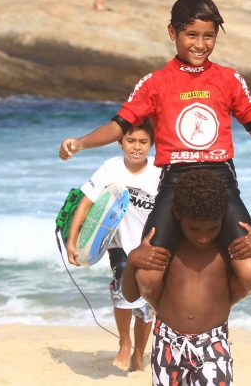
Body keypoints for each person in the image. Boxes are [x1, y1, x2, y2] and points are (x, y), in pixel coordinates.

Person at [59, 0, 251, 302]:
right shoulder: (154, 83)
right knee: (146, 278)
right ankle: (171, 315)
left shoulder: (229, 79)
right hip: (175, 182)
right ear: (173, 33)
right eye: (191, 35)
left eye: (209, 36)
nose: (200, 44)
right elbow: (118, 125)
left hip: (220, 182)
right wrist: (81, 142)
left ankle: (212, 311)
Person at [122, 169, 251, 385]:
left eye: (212, 229)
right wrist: (132, 260)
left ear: (223, 219)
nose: (203, 237)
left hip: (213, 342)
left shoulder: (227, 252)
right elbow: (130, 296)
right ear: (178, 216)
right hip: (168, 341)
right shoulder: (168, 251)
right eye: (193, 228)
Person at [66, 118, 160, 371]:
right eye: (130, 141)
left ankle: (139, 353)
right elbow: (85, 203)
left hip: (149, 245)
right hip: (119, 244)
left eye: (143, 142)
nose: (137, 147)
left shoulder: (160, 171)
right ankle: (125, 343)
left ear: (152, 144)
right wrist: (72, 242)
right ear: (120, 142)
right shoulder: (111, 167)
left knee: (147, 308)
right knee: (122, 293)